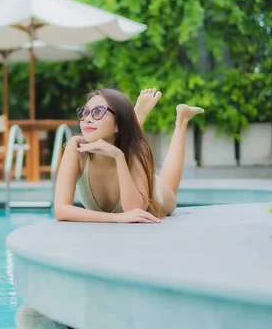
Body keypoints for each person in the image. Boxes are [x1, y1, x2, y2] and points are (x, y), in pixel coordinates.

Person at [14, 88, 204, 329]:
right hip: (124, 158)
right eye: (84, 112)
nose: (87, 118)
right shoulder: (76, 147)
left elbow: (134, 208)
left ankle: (181, 121)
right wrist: (116, 218)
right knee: (127, 141)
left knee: (168, 192)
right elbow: (61, 209)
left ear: (116, 124)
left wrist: (117, 156)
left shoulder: (136, 151)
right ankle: (136, 117)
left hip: (146, 192)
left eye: (98, 111)